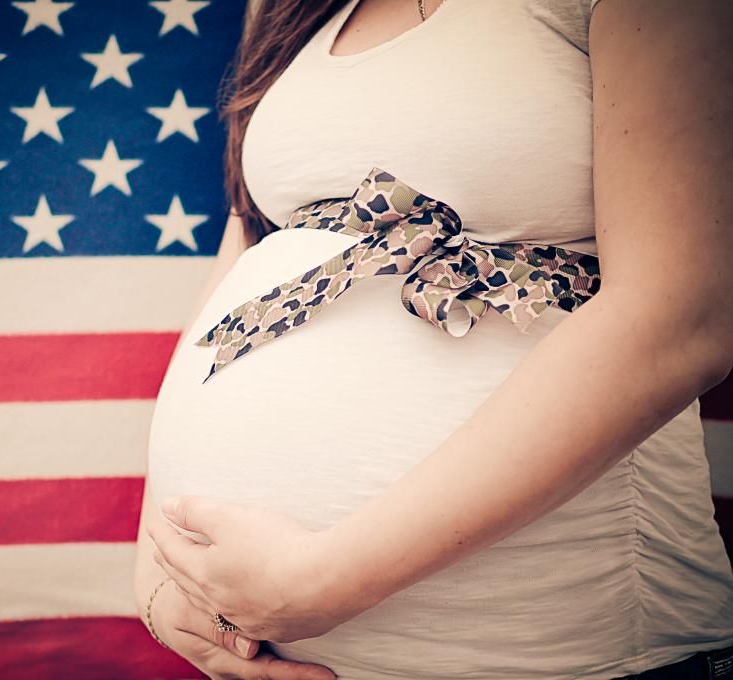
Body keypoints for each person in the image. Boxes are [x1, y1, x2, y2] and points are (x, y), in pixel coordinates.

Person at [133, 0, 733, 678]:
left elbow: (679, 319)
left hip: (564, 653)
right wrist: (156, 569)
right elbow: (242, 273)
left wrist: (323, 581)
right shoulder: (284, 9)